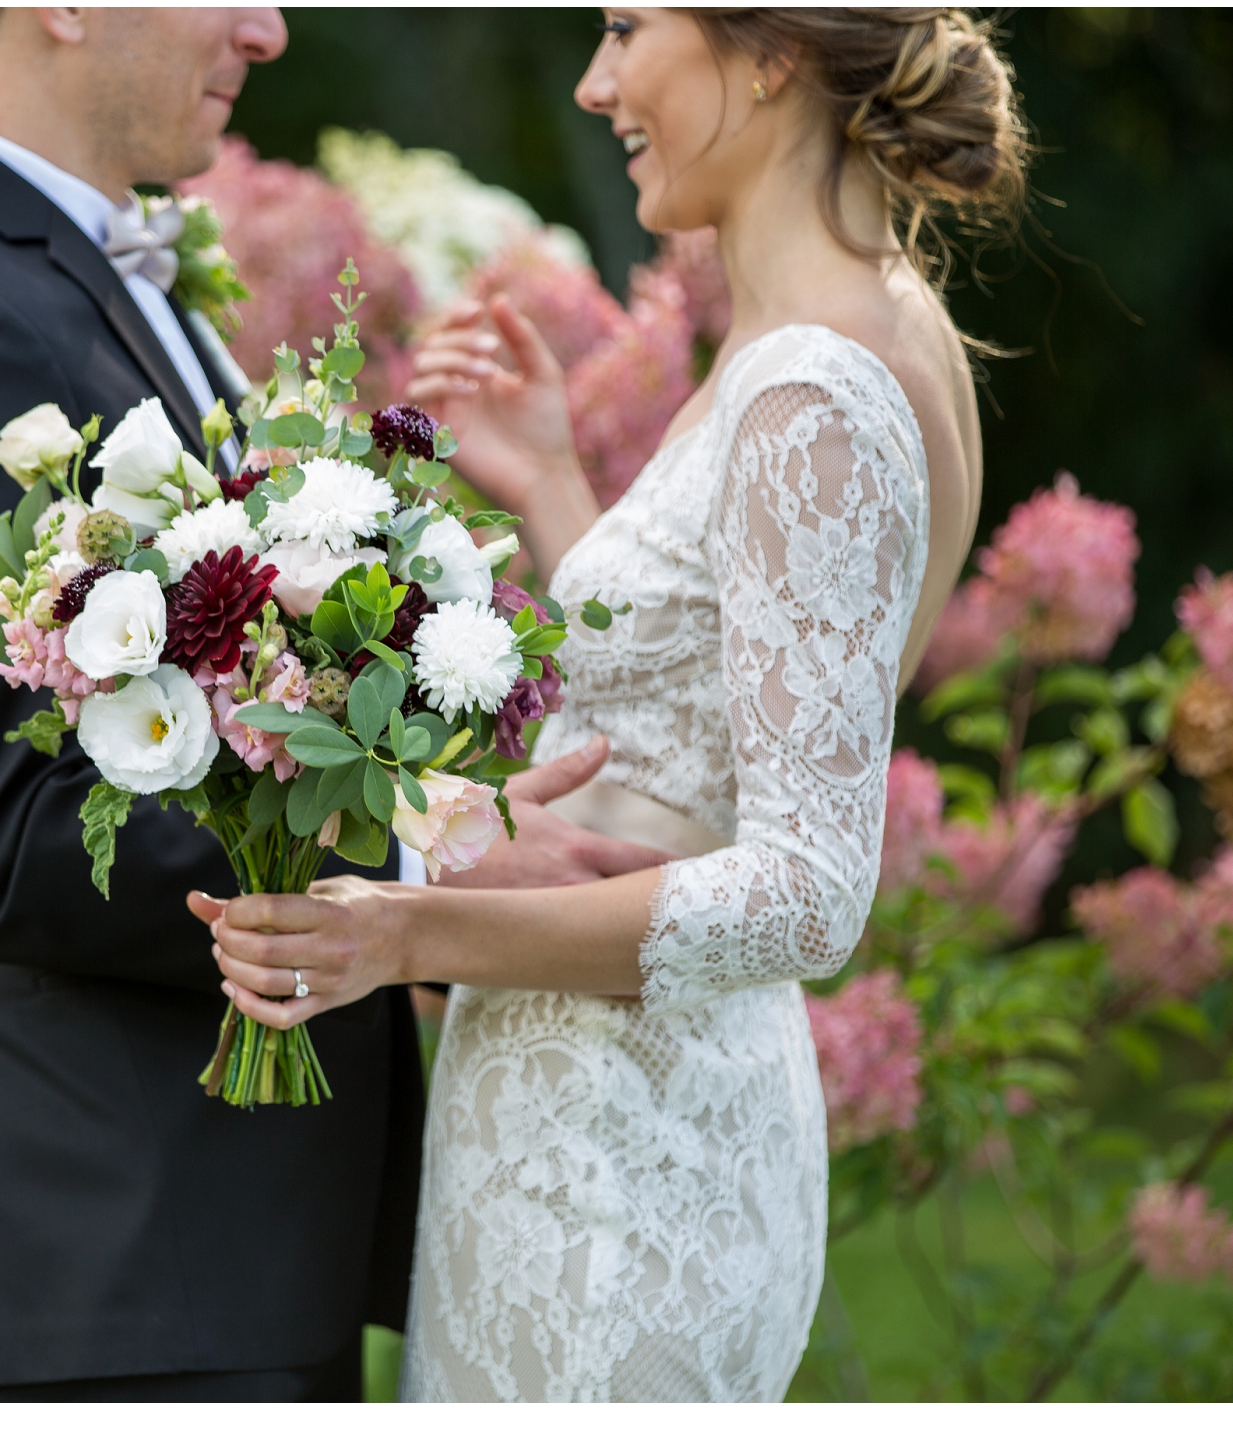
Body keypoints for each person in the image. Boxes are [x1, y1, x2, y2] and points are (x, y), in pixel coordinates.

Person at [0, 7, 594, 1404]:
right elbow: (4, 844)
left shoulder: (86, 272)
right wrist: (418, 860)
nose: (268, 30)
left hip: (217, 1248)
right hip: (121, 1257)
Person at [192, 7, 1029, 1401]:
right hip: (582, 1114)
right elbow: (700, 707)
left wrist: (407, 929)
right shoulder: (845, 333)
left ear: (766, 51)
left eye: (626, 27)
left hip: (626, 1165)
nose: (593, 82)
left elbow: (807, 892)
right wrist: (549, 486)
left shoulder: (813, 385)